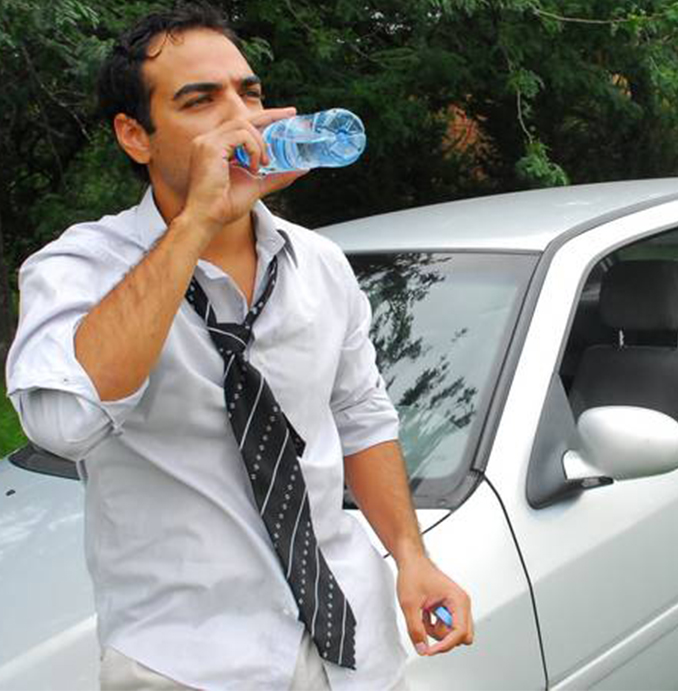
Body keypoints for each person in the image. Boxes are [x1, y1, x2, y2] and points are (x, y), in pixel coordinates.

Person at [4, 4, 473, 690]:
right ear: (135, 136)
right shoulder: (76, 268)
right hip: (188, 664)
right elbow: (64, 423)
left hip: (355, 648)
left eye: (248, 93)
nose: (241, 117)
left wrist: (411, 556)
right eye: (201, 101)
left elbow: (361, 419)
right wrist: (197, 221)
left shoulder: (319, 263)